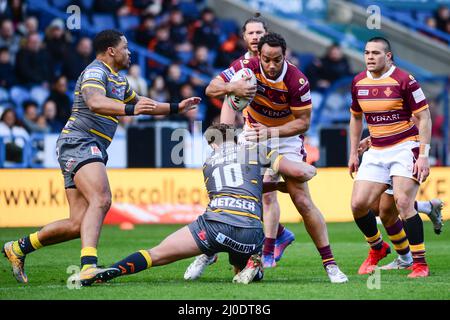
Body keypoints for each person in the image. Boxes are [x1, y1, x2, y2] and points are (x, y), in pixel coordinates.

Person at [2, 29, 201, 284]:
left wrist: (176, 107)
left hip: (86, 145)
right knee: (102, 198)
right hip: (80, 141)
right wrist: (130, 109)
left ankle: (18, 247)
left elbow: (142, 103)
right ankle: (88, 267)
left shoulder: (118, 80)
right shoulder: (96, 72)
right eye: (126, 47)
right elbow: (95, 102)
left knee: (77, 223)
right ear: (111, 51)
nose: (129, 52)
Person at [68, 123, 317, 286]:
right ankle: (255, 264)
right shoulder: (256, 150)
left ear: (213, 143)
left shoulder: (208, 163)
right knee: (240, 269)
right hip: (251, 232)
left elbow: (231, 186)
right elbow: (298, 172)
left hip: (214, 227)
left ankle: (108, 272)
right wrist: (303, 172)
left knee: (157, 254)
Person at [200, 32, 348, 283]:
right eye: (266, 59)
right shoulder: (245, 67)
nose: (271, 65)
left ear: (284, 56)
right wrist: (232, 87)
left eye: (276, 60)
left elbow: (303, 123)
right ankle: (214, 252)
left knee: (301, 199)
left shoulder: (297, 80)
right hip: (252, 134)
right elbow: (211, 88)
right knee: (234, 193)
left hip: (285, 137)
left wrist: (270, 131)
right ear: (258, 55)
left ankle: (330, 264)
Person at [212, 14, 297, 269]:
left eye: (259, 33)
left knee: (271, 193)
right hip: (251, 133)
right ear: (244, 37)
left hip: (282, 135)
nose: (255, 37)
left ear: (266, 36)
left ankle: (268, 250)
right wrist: (224, 138)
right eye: (250, 33)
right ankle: (279, 233)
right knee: (248, 193)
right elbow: (216, 92)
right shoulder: (239, 67)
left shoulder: (278, 66)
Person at [348, 37, 432, 278]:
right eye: (367, 53)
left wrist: (423, 156)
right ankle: (377, 248)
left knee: (402, 203)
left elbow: (424, 118)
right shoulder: (358, 82)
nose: (370, 57)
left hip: (405, 146)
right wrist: (354, 151)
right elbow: (355, 117)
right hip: (376, 150)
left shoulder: (404, 80)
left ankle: (420, 264)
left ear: (389, 56)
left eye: (376, 53)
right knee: (358, 205)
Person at [356, 136, 444, 270]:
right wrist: (370, 139)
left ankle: (413, 261)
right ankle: (426, 207)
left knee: (394, 208)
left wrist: (423, 155)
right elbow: (394, 118)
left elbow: (418, 120)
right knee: (379, 209)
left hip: (403, 152)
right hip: (382, 151)